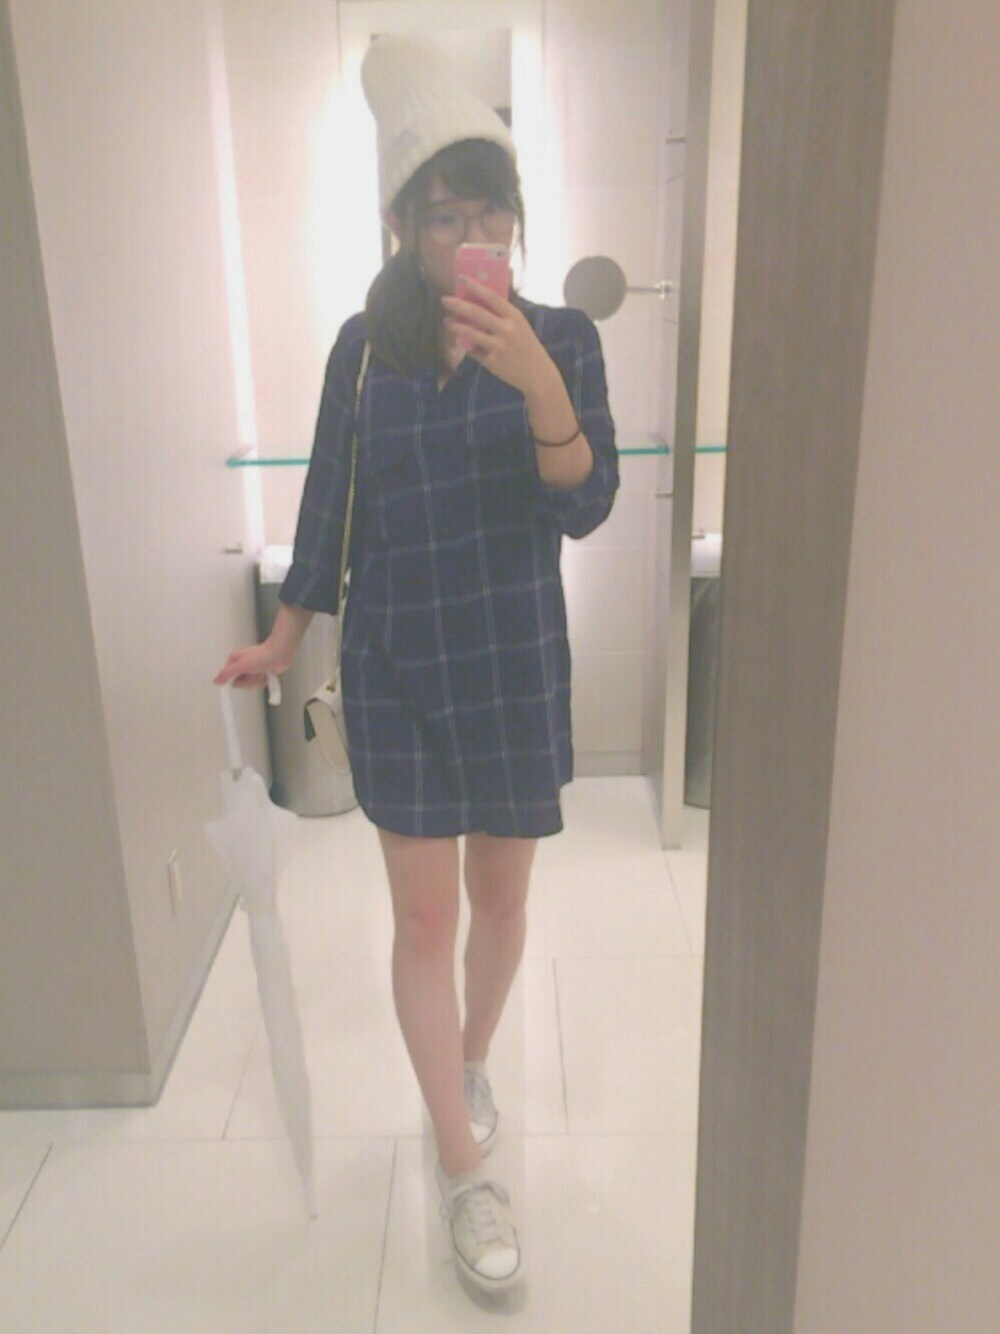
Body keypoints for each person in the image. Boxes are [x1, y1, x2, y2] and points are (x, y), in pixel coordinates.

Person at [213, 34, 619, 1296]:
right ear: (400, 225)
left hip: (511, 657)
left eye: (488, 208)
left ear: (515, 214)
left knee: (500, 905)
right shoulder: (363, 349)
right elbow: (332, 502)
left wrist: (536, 378)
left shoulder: (559, 337)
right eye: (443, 213)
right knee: (423, 917)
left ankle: (472, 1054)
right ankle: (460, 1163)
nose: (470, 233)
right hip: (394, 661)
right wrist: (286, 635)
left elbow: (586, 500)